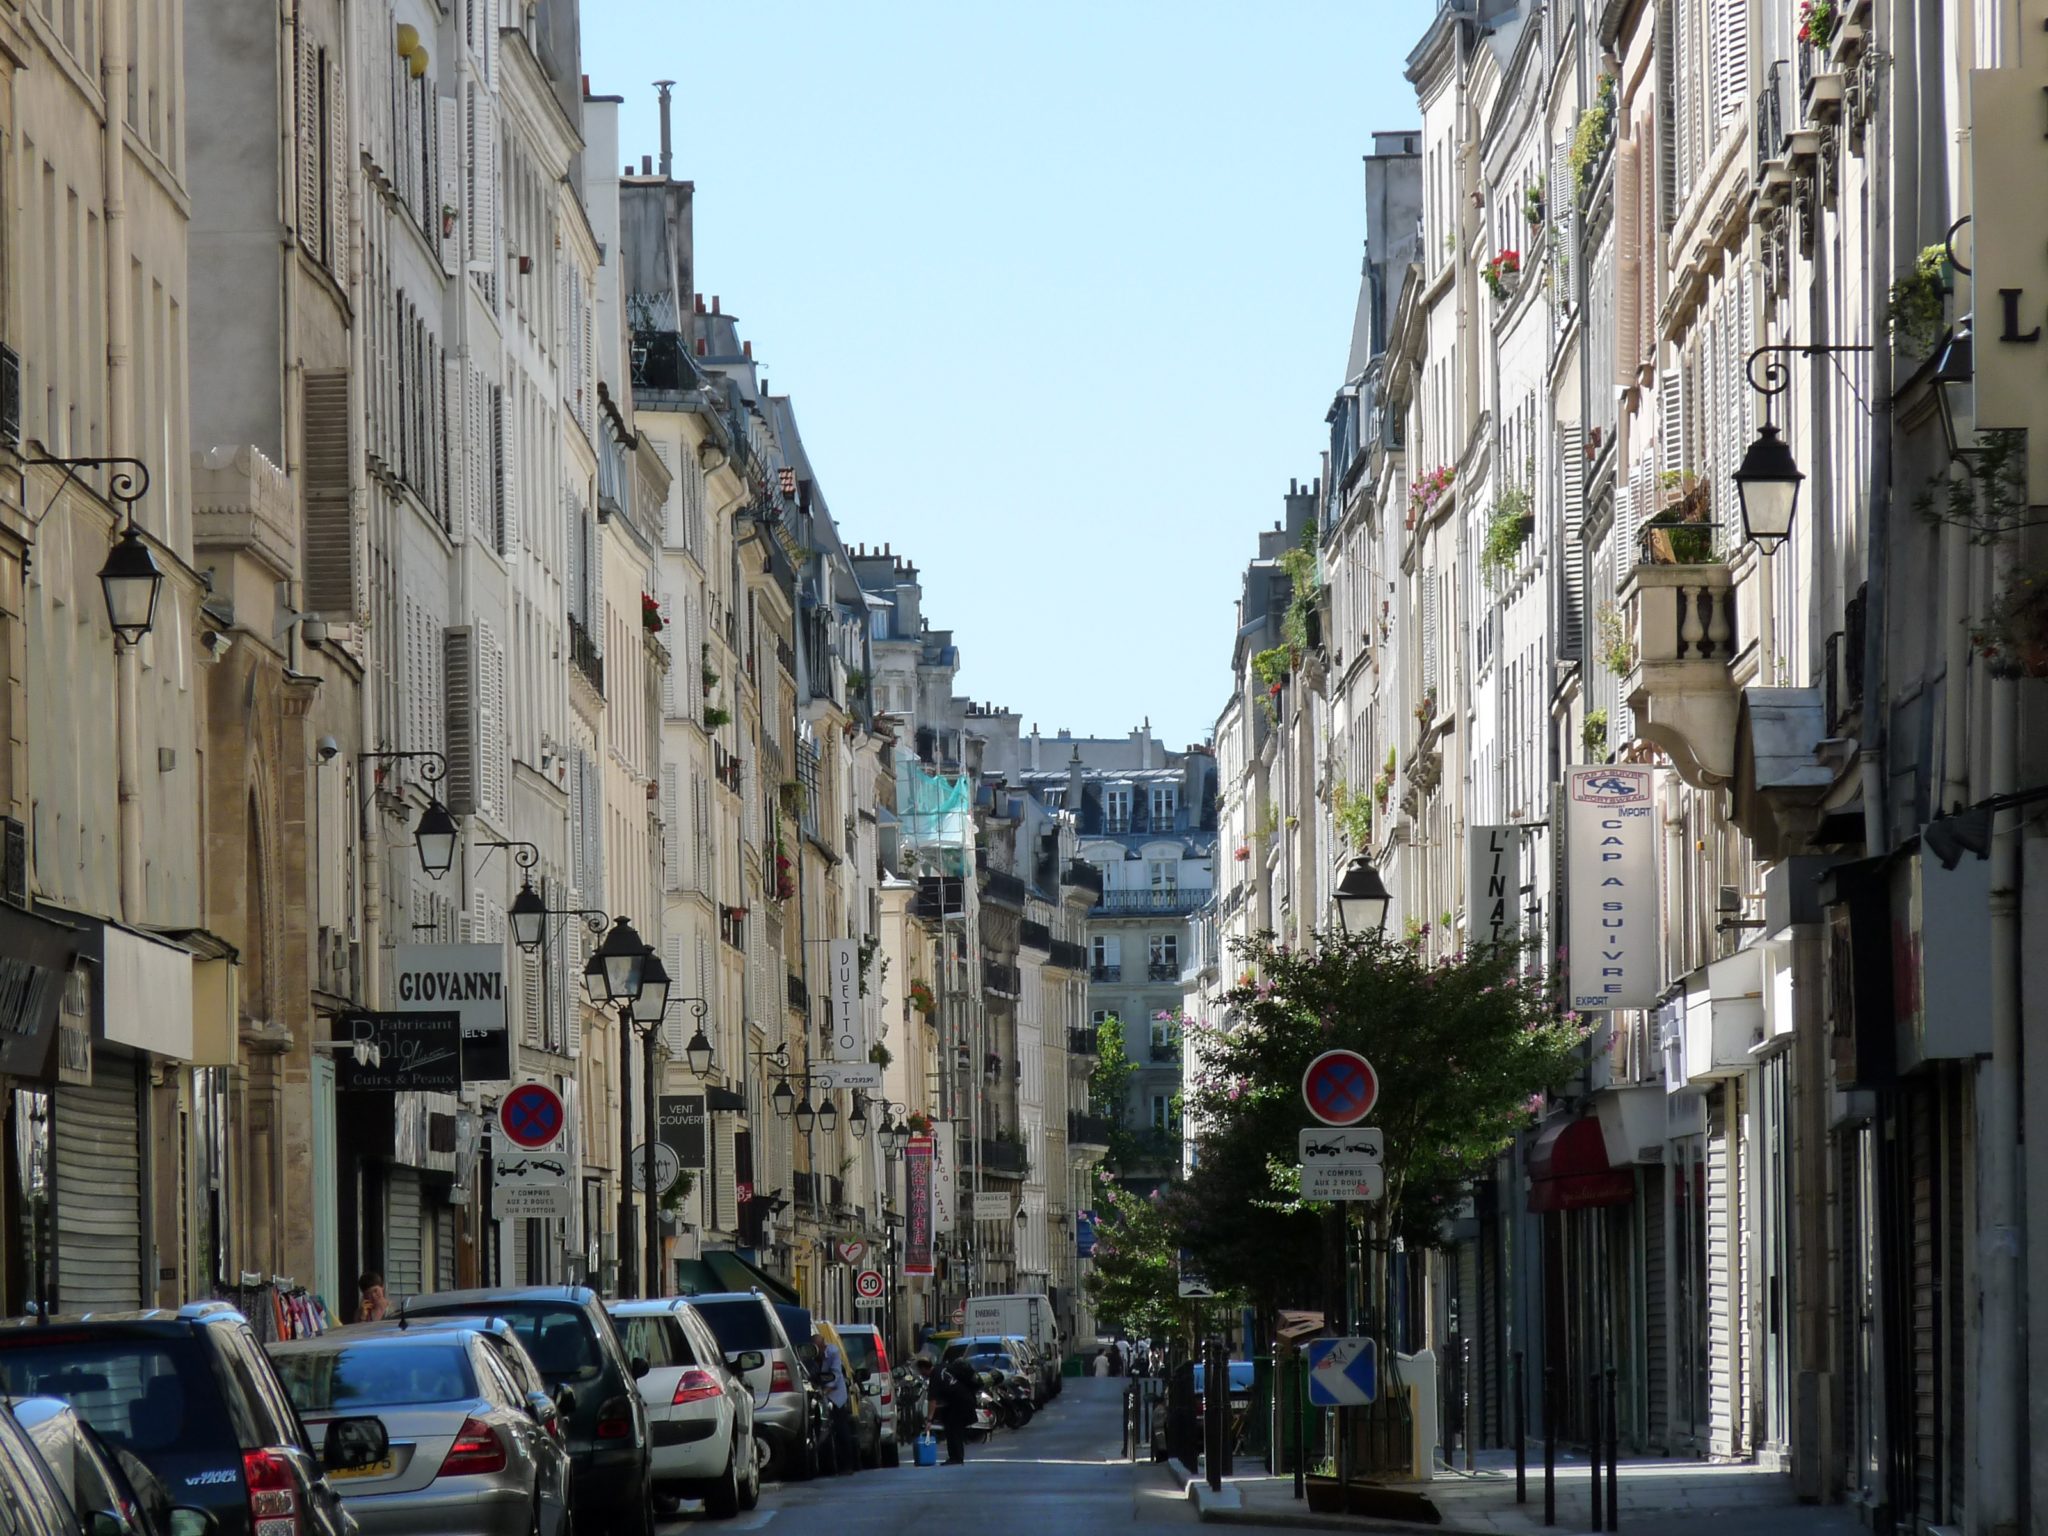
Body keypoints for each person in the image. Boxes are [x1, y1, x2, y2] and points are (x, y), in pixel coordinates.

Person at [935, 1351, 979, 1464]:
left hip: (961, 1404)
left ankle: (956, 1458)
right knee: (954, 1429)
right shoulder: (948, 1372)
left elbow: (935, 1398)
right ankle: (956, 1457)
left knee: (954, 1430)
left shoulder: (940, 1373)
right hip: (963, 1402)